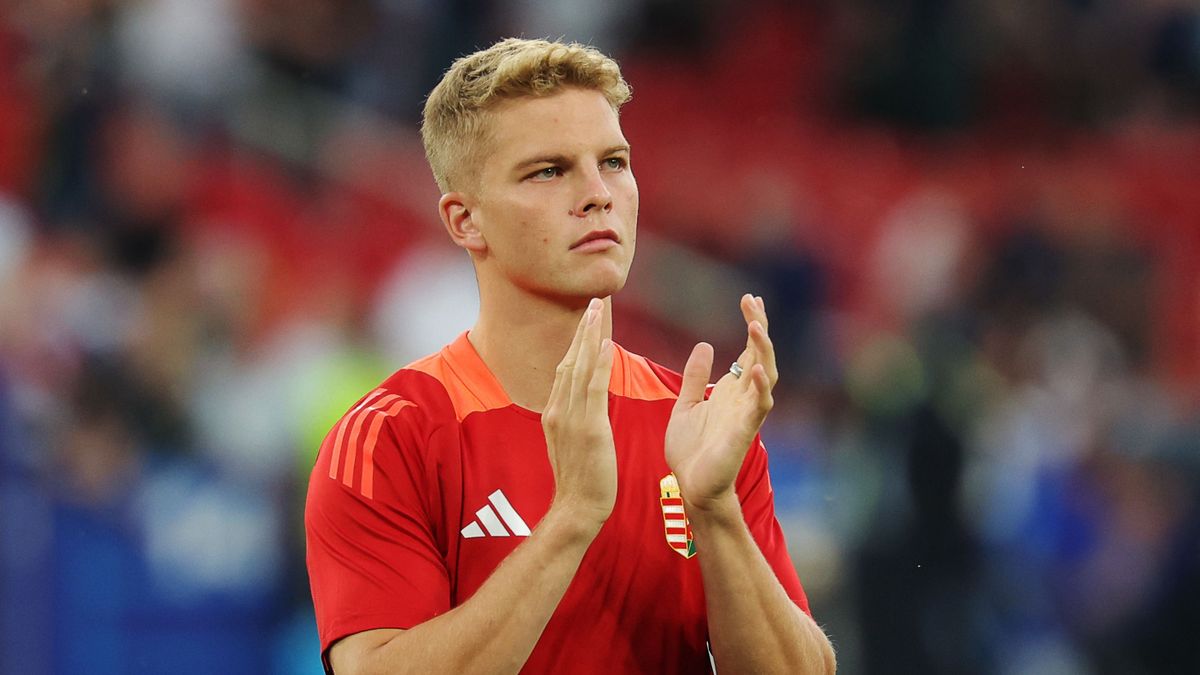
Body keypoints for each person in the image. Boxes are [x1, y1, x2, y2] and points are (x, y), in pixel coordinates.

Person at [305, 37, 837, 674]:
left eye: (613, 162)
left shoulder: (695, 427)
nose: (598, 194)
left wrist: (716, 511)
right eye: (548, 171)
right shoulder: (391, 438)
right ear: (464, 220)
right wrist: (572, 518)